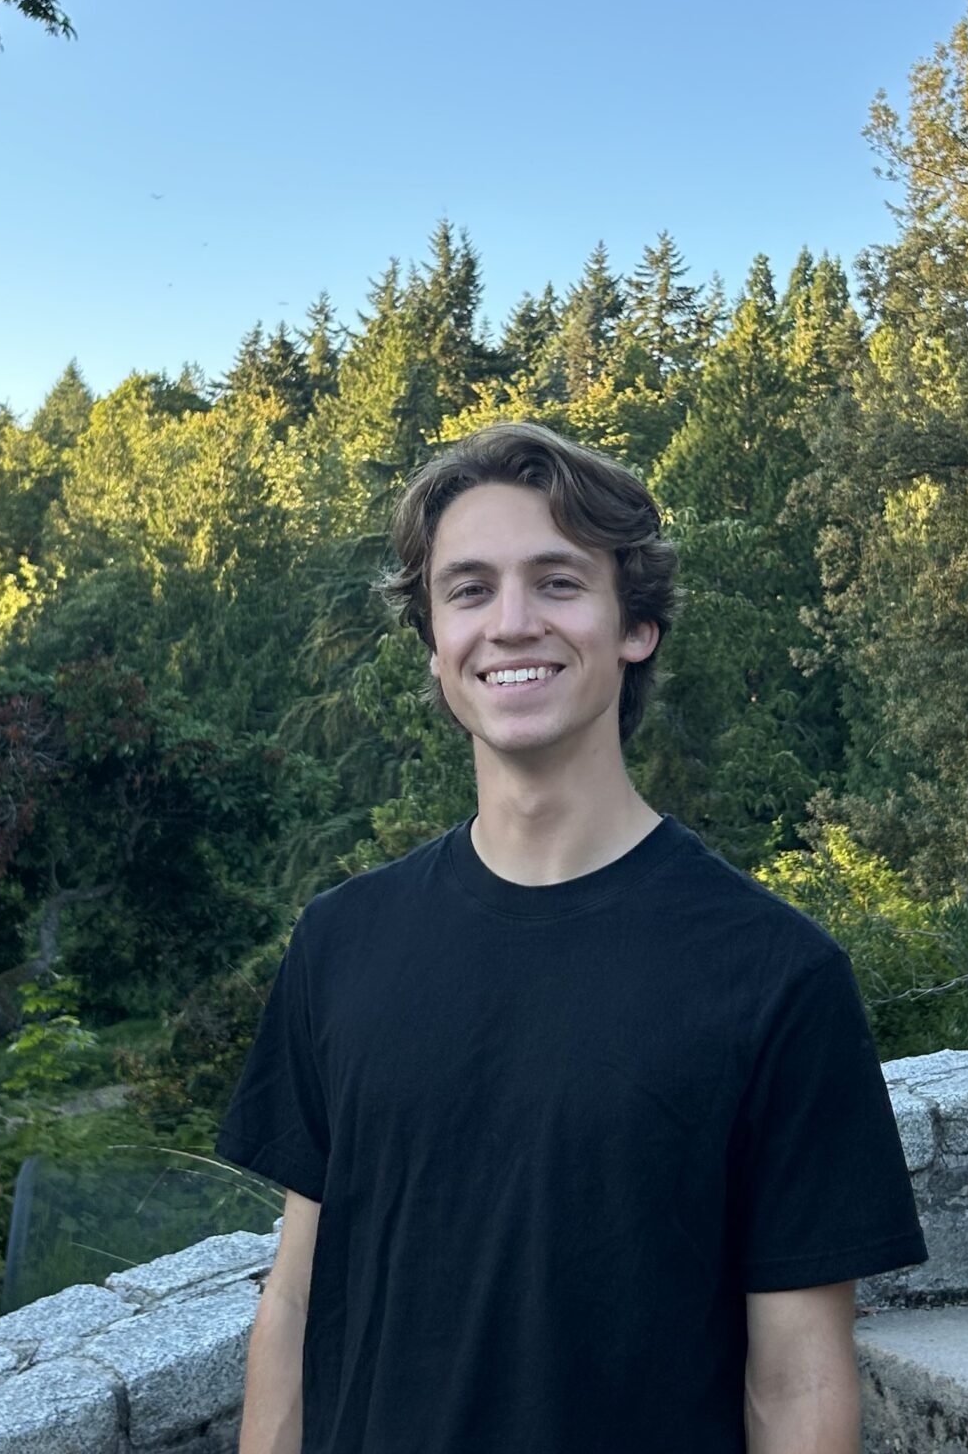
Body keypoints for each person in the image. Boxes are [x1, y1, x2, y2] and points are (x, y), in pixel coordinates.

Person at [216, 421, 927, 1454]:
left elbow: (798, 1383)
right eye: (468, 590)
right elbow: (294, 1301)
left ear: (634, 624)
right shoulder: (341, 944)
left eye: (556, 582)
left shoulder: (775, 975)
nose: (510, 624)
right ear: (434, 641)